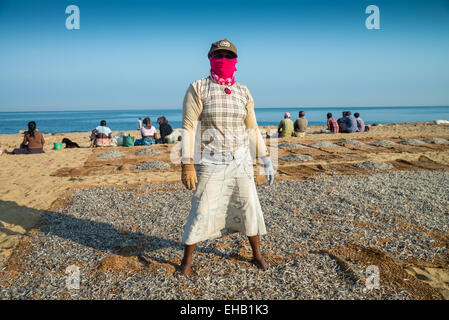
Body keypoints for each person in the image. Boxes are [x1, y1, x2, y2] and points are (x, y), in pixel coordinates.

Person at [179, 39, 274, 276]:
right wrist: (187, 164)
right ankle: (187, 262)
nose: (223, 60)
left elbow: (252, 127)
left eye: (228, 56)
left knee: (248, 206)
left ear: (236, 61)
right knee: (201, 209)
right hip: (211, 161)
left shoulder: (243, 91)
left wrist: (265, 158)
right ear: (210, 58)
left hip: (240, 160)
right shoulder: (198, 87)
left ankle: (257, 255)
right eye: (218, 55)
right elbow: (189, 127)